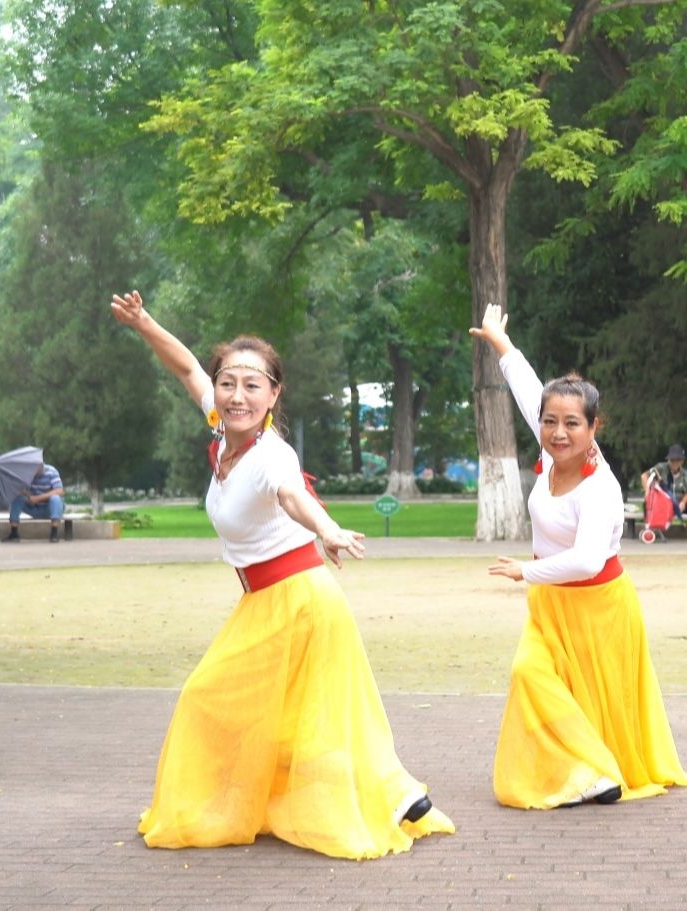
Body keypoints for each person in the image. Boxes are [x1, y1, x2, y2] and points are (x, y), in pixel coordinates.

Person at [109, 290, 453, 859]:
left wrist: (329, 528)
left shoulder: (273, 454)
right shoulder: (221, 429)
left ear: (274, 394)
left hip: (298, 599)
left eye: (252, 385)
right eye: (229, 383)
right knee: (290, 718)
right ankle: (396, 792)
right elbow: (186, 366)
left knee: (212, 699)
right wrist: (144, 322)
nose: (237, 395)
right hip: (267, 601)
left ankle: (387, 792)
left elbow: (293, 496)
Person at [469, 303, 687, 809]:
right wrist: (500, 344)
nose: (559, 431)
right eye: (550, 422)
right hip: (551, 607)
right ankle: (587, 770)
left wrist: (524, 570)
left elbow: (584, 561)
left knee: (591, 697)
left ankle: (593, 772)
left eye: (572, 424)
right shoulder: (550, 451)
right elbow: (530, 390)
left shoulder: (599, 487)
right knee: (530, 675)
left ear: (593, 427)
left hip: (598, 606)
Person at [4, 463, 65, 543]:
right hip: (33, 507)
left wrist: (38, 498)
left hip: (49, 508)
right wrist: (25, 494)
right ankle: (14, 533)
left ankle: (54, 534)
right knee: (17, 499)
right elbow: (19, 490)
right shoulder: (25, 474)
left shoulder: (51, 471)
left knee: (55, 498)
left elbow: (59, 491)